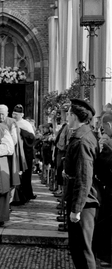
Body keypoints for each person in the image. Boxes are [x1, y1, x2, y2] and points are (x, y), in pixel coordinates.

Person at [63, 98, 100, 269]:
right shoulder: (83, 135)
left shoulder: (82, 140)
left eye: (68, 114)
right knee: (78, 247)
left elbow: (84, 177)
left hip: (84, 202)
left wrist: (76, 209)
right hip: (82, 198)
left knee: (83, 250)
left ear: (74, 116)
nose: (66, 118)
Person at [94, 112, 112, 267]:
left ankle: (107, 256)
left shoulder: (108, 142)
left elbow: (105, 166)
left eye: (104, 127)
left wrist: (103, 149)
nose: (103, 130)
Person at [12, 104, 36, 201]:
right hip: (15, 152)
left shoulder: (26, 124)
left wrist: (20, 131)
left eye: (16, 115)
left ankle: (26, 194)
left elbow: (32, 138)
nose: (14, 116)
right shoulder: (11, 122)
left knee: (25, 174)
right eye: (13, 114)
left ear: (21, 115)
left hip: (26, 153)